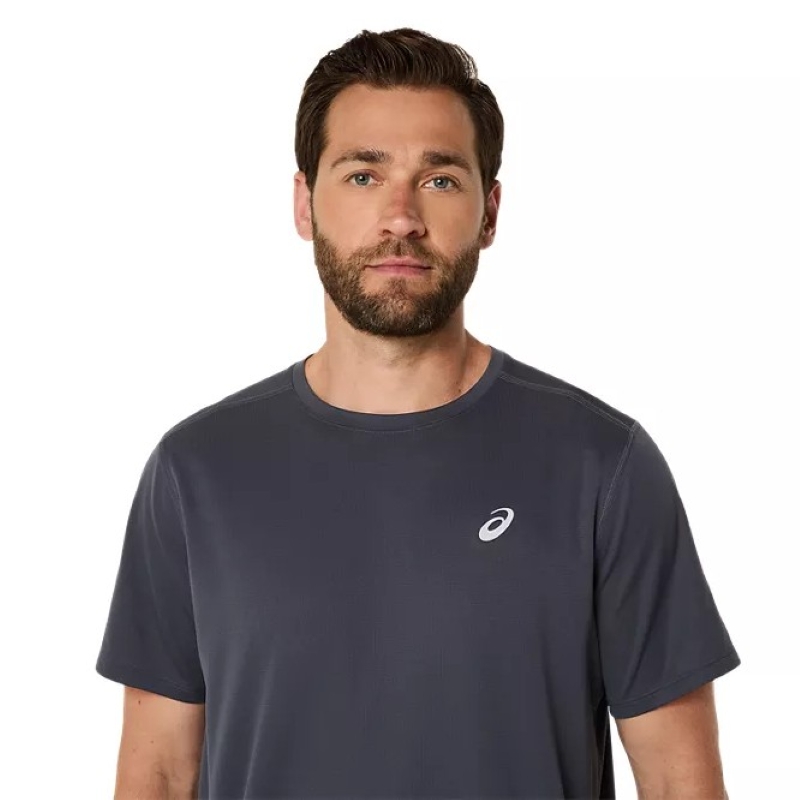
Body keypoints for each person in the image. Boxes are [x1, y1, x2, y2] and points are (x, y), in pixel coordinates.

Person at [96, 27, 740, 799]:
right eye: (363, 175)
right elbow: (160, 774)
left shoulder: (603, 466)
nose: (400, 217)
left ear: (489, 212)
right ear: (304, 204)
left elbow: (678, 781)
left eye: (439, 179)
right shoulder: (197, 472)